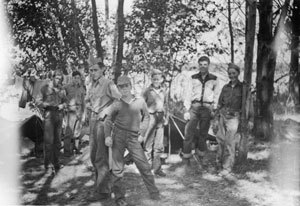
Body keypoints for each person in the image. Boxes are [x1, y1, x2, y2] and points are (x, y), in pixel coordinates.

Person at [104, 75, 160, 206]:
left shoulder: (140, 101)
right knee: (117, 169)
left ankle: (154, 193)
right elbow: (108, 120)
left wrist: (142, 133)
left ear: (130, 86)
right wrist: (107, 136)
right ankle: (119, 198)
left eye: (126, 86)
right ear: (118, 88)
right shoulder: (116, 103)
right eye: (121, 87)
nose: (124, 89)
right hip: (118, 136)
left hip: (134, 137)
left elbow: (146, 117)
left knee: (144, 166)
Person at [84, 55, 122, 200]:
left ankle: (103, 191)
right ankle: (99, 186)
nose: (92, 73)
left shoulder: (108, 83)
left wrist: (106, 112)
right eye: (90, 70)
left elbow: (119, 101)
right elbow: (88, 99)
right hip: (93, 121)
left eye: (95, 70)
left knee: (101, 156)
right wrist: (87, 104)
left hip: (103, 122)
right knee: (93, 155)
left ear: (102, 70)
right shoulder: (92, 85)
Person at [215, 63, 253, 177]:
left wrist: (251, 118)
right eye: (230, 73)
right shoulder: (225, 88)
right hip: (223, 115)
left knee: (229, 142)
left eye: (234, 73)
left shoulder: (244, 88)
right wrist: (216, 117)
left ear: (238, 73)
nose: (232, 75)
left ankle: (227, 167)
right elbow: (219, 103)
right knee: (221, 140)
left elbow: (249, 104)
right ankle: (219, 164)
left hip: (234, 117)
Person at [182, 56, 219, 169]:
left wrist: (214, 109)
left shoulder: (214, 78)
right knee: (189, 133)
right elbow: (187, 93)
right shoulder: (192, 77)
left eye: (205, 64)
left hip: (207, 108)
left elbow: (217, 95)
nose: (203, 66)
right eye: (201, 64)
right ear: (198, 65)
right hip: (194, 106)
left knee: (203, 134)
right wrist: (186, 109)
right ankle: (186, 158)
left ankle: (201, 157)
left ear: (208, 65)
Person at [36, 70, 67, 174]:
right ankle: (48, 165)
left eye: (60, 78)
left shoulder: (62, 89)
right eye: (57, 78)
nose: (58, 80)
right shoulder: (44, 88)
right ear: (52, 77)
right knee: (49, 141)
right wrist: (45, 104)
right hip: (49, 115)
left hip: (59, 115)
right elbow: (38, 101)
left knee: (58, 141)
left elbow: (65, 101)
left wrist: (63, 105)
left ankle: (56, 163)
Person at [142, 69, 168, 177]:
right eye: (154, 79)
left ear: (162, 80)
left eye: (158, 79)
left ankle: (157, 168)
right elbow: (142, 105)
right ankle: (147, 169)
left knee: (159, 145)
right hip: (151, 117)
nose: (156, 81)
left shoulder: (164, 91)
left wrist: (166, 117)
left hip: (160, 117)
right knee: (148, 144)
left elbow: (166, 104)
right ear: (151, 79)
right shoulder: (147, 91)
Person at [63, 71, 86, 156]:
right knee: (68, 132)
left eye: (78, 78)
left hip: (79, 110)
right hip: (71, 111)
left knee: (77, 131)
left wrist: (84, 114)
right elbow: (62, 98)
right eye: (75, 78)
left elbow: (83, 102)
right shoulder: (67, 87)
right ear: (72, 78)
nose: (77, 80)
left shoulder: (82, 88)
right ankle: (66, 151)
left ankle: (76, 149)